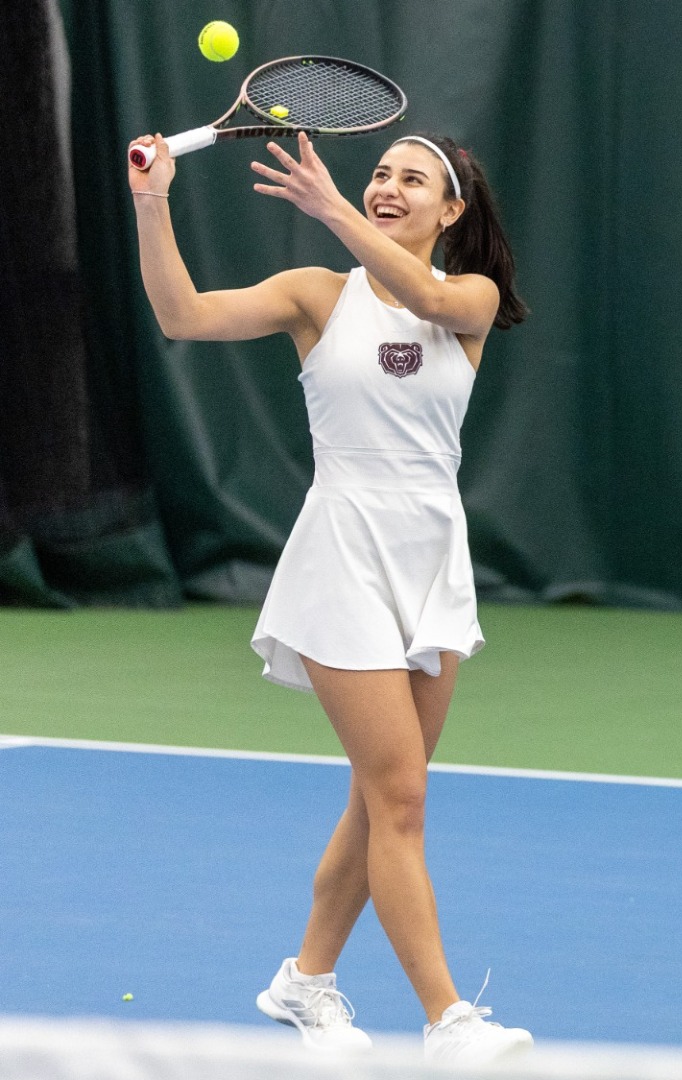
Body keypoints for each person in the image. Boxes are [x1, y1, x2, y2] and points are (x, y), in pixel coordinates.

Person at [127, 128, 533, 1063]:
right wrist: (154, 202)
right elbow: (183, 315)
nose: (388, 187)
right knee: (399, 797)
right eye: (380, 173)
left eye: (412, 179)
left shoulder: (468, 298)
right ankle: (448, 1020)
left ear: (452, 211)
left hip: (429, 559)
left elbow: (426, 293)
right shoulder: (318, 295)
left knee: (379, 796)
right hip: (342, 556)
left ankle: (305, 981)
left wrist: (334, 210)